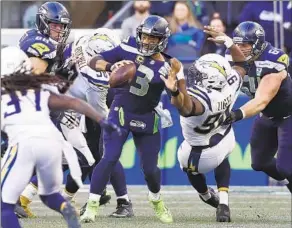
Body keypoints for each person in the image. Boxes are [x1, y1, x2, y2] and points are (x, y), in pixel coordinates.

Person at [81, 15, 187, 224]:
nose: (147, 41)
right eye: (145, 36)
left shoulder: (172, 64)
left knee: (150, 169)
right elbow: (94, 60)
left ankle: (156, 199)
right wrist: (110, 67)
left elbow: (182, 104)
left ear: (163, 40)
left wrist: (174, 91)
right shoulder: (129, 46)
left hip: (147, 115)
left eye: (153, 38)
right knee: (109, 157)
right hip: (121, 110)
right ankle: (92, 205)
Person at [1, 46, 120, 228]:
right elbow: (72, 101)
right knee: (50, 195)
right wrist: (102, 121)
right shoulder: (39, 91)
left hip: (24, 144)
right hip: (52, 145)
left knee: (4, 205)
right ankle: (66, 208)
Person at [161, 25, 248, 222]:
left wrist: (178, 83)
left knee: (187, 165)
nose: (196, 75)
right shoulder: (230, 84)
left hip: (195, 155)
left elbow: (185, 107)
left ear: (208, 79)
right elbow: (243, 64)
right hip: (222, 142)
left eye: (200, 74)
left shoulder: (202, 99)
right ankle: (223, 202)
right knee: (224, 133)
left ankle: (206, 195)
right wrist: (228, 42)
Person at [224, 21, 292, 192]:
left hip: (288, 115)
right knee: (259, 163)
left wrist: (235, 115)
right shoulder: (230, 57)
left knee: (285, 167)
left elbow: (261, 100)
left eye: (245, 44)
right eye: (237, 44)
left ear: (258, 44)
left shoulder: (274, 59)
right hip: (267, 116)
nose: (239, 49)